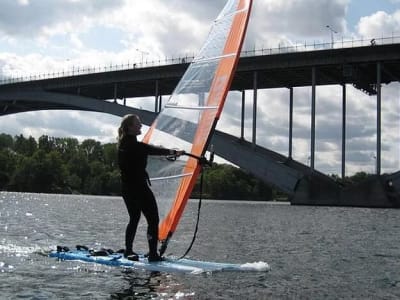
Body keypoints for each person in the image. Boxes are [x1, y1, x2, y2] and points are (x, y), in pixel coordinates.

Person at [117, 114, 184, 262]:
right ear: (129, 128)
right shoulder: (133, 145)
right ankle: (153, 254)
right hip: (138, 188)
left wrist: (171, 152)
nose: (141, 126)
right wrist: (173, 152)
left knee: (134, 218)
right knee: (153, 219)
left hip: (127, 189)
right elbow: (151, 149)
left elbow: (147, 150)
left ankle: (128, 251)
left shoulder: (124, 144)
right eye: (138, 124)